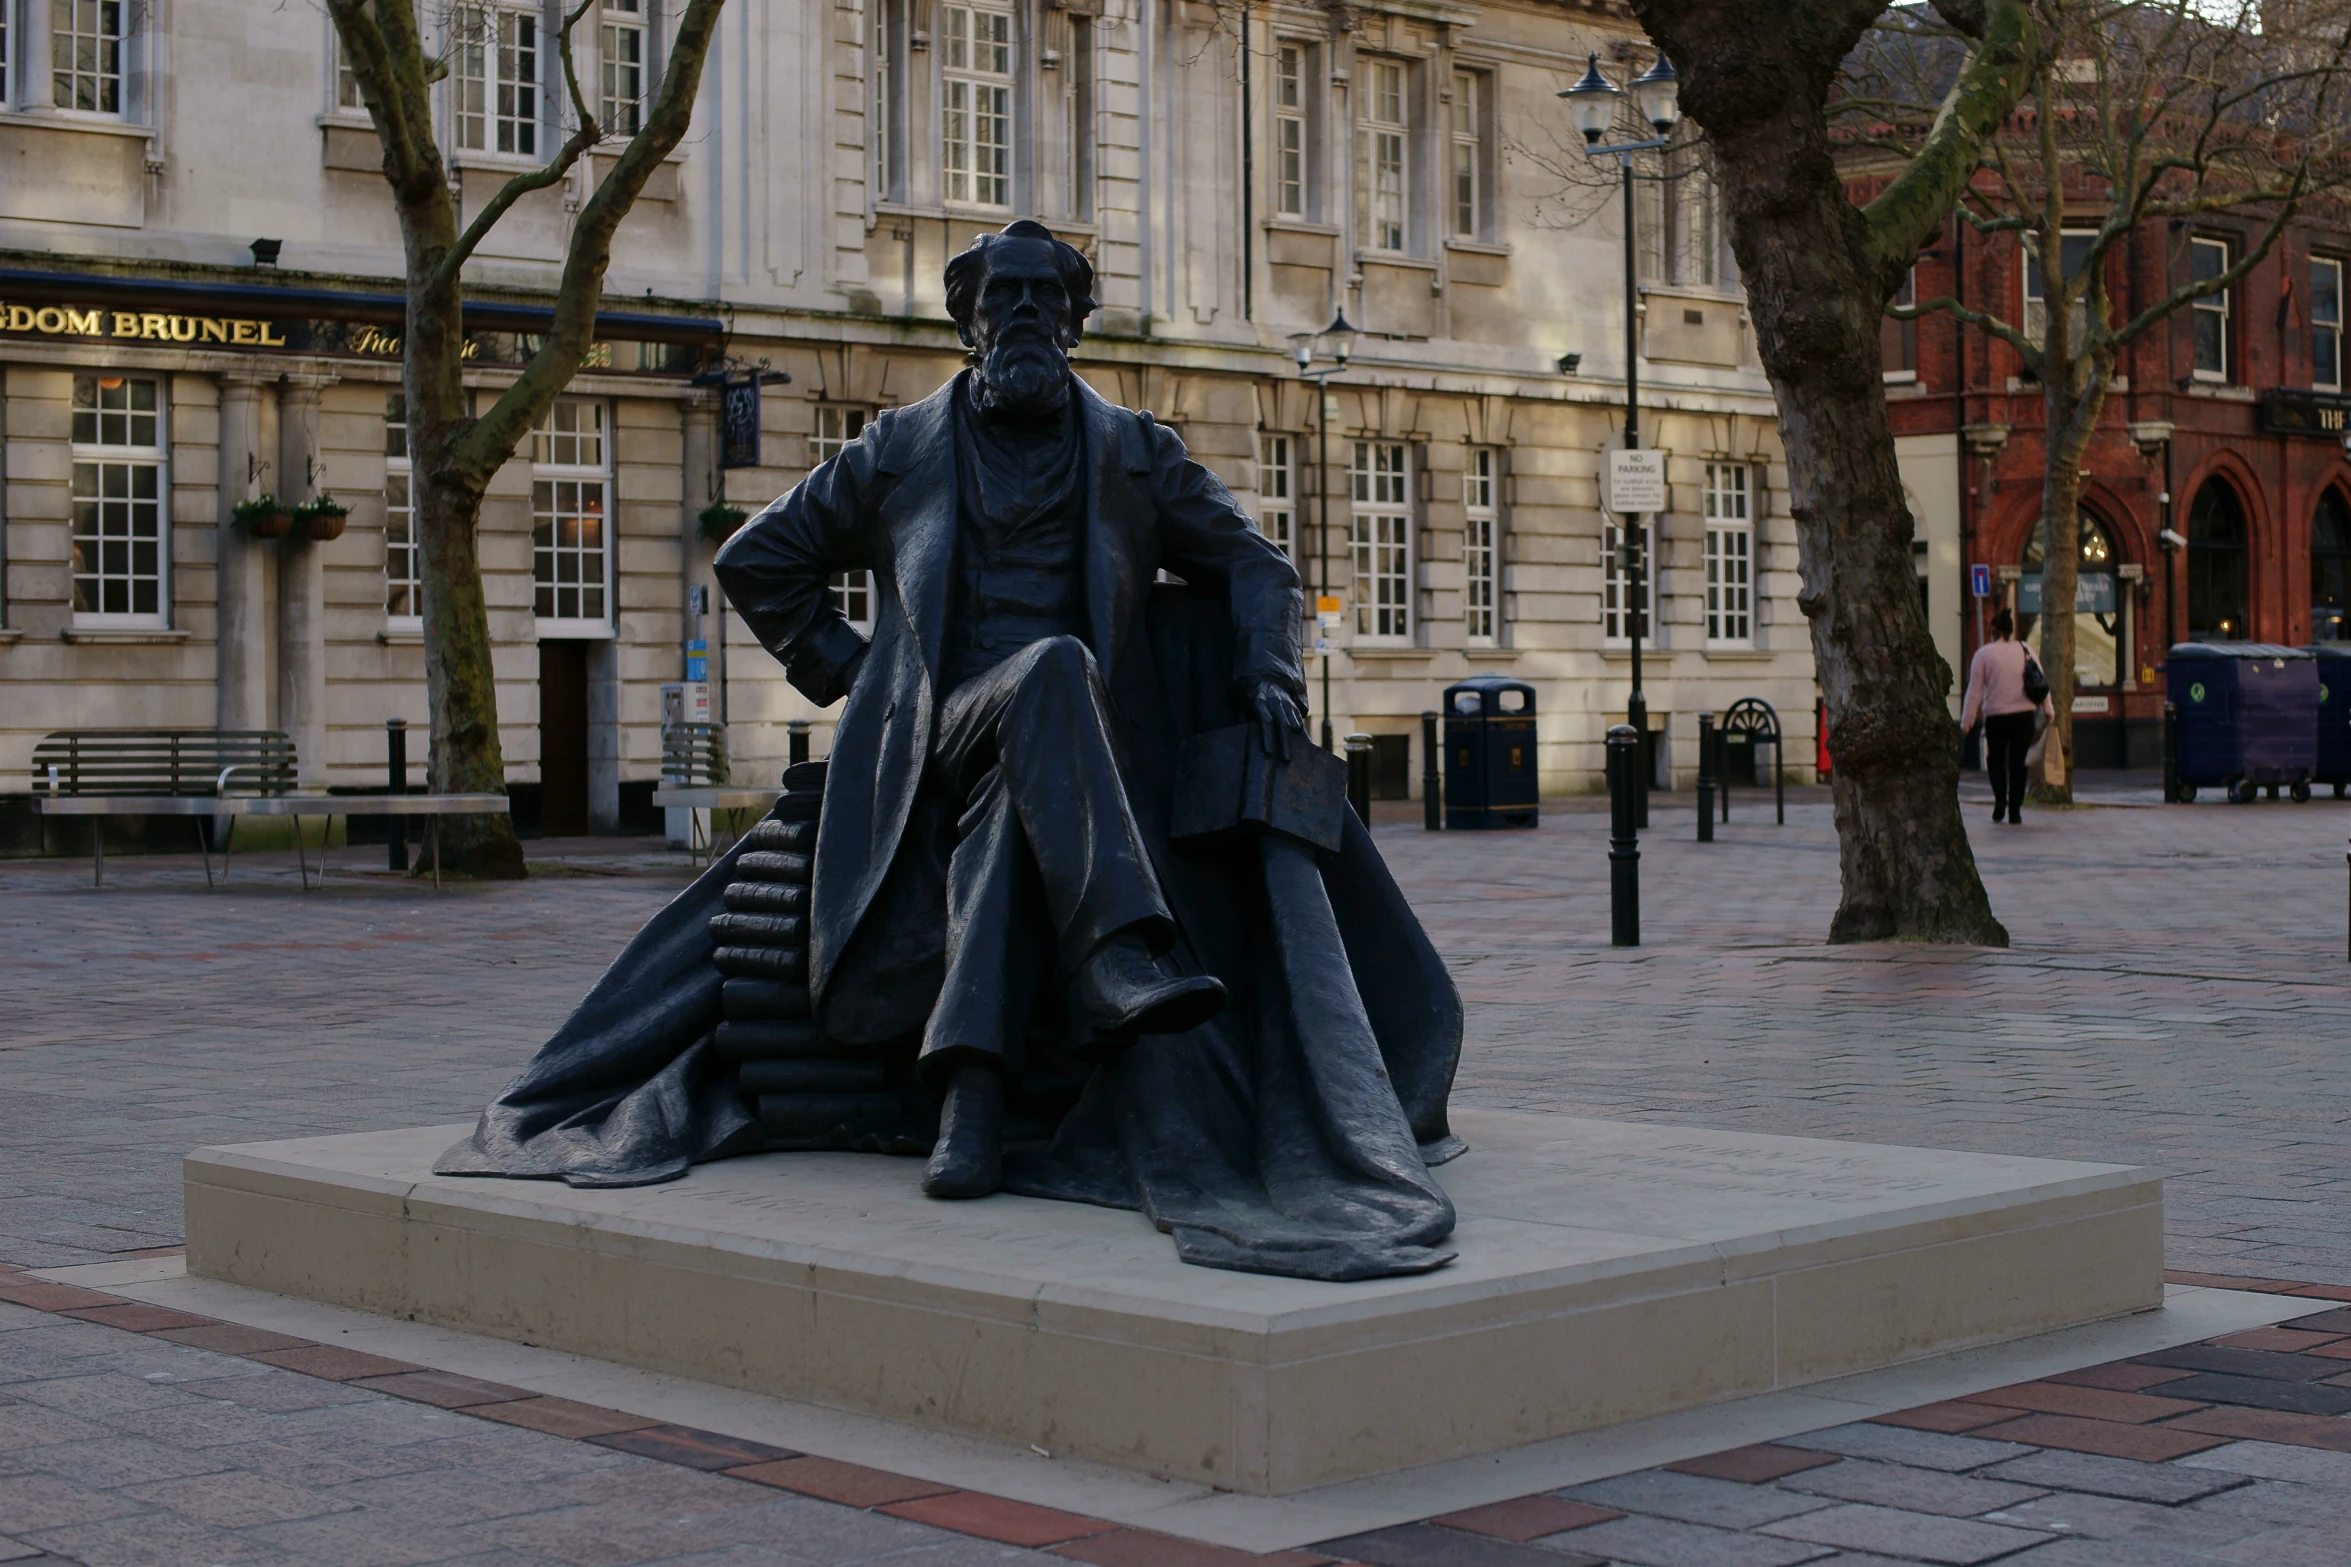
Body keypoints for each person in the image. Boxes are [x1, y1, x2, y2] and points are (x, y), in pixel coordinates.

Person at [435, 220, 1467, 1281]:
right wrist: (855, 676)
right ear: (964, 319)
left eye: (1042, 298)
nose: (1021, 314)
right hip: (932, 734)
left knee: (1028, 763)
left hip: (1068, 759)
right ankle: (1113, 954)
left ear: (1074, 322)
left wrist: (1267, 674)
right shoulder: (896, 449)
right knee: (1055, 670)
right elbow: (758, 560)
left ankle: (968, 1106)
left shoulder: (1133, 451)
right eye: (999, 297)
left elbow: (1257, 567)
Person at [1960, 607, 2054, 824]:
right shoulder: (2025, 649)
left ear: (1993, 630)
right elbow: (2040, 681)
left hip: (1996, 717)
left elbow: (1974, 692)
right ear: (2010, 631)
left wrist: (1967, 722)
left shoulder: (1983, 654)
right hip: (2024, 716)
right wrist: (2048, 710)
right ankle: (2015, 810)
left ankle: (2000, 800)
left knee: (1996, 760)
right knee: (2019, 762)